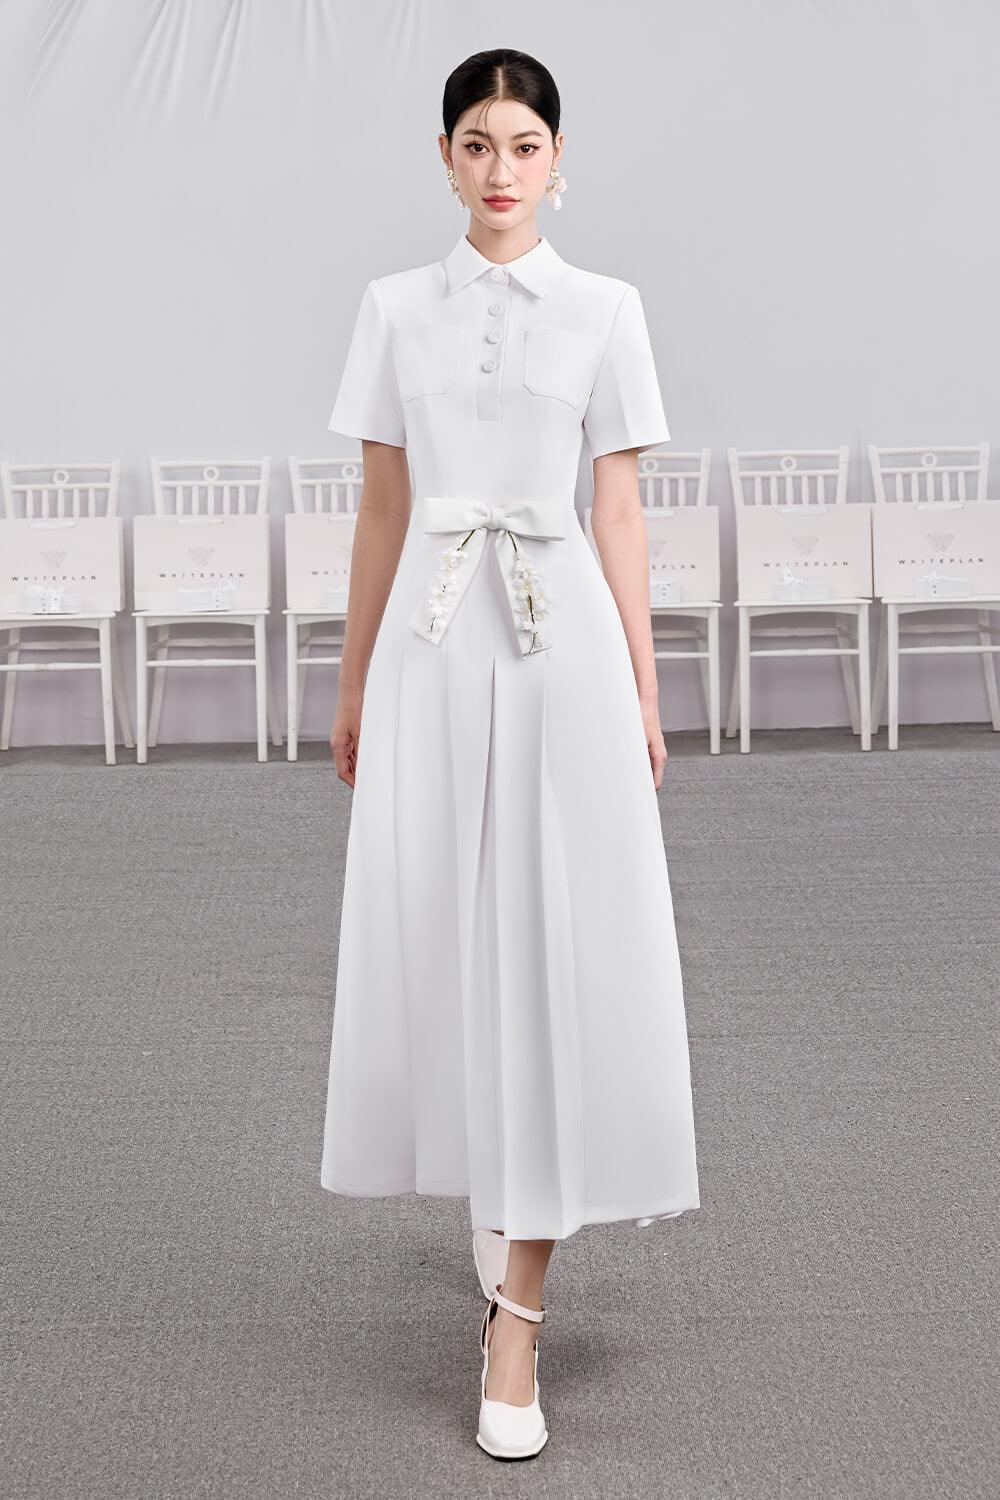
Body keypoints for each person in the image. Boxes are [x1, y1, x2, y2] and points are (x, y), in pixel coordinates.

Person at [321, 47, 700, 1461]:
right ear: (444, 157)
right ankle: (494, 1187)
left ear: (558, 161)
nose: (500, 168)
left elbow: (619, 513)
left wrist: (646, 691)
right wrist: (353, 679)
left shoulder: (607, 309)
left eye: (524, 144)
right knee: (445, 934)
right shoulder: (394, 309)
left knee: (547, 943)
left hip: (562, 660)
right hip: (430, 653)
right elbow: (381, 508)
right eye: (476, 143)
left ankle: (519, 1319)